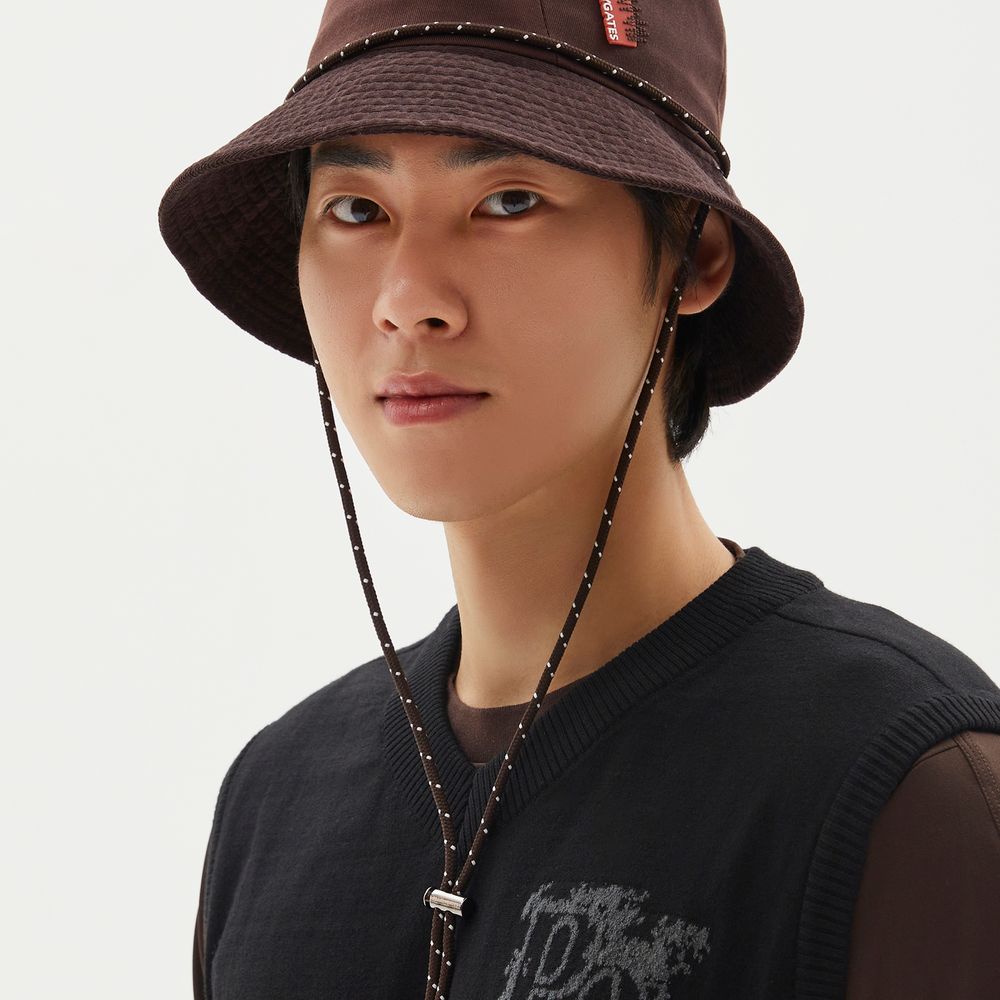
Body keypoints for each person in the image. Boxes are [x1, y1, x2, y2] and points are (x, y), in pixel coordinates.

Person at [158, 3, 1000, 998]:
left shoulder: (904, 785)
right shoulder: (276, 800)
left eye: (508, 200)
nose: (407, 298)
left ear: (694, 255)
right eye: (355, 210)